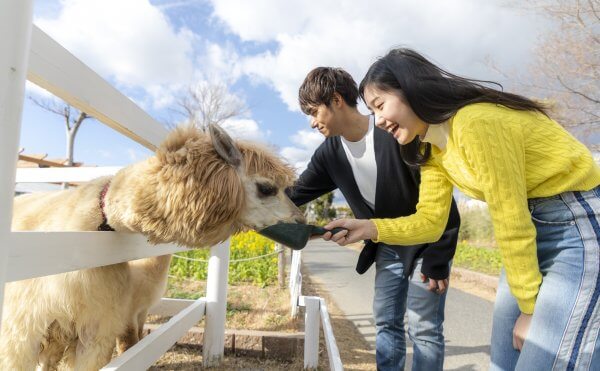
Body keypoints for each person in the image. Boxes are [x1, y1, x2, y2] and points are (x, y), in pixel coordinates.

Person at [324, 48, 600, 370]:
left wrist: (529, 310)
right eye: (373, 110)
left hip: (578, 227)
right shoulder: (430, 148)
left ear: (411, 89)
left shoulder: (474, 122)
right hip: (533, 232)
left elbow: (509, 215)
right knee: (504, 361)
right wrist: (370, 228)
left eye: (381, 105)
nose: (379, 121)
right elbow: (430, 221)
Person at [286, 67, 460, 371]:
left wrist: (439, 257)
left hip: (427, 244)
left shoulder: (396, 129)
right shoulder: (329, 154)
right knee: (386, 321)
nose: (312, 122)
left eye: (314, 112)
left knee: (424, 329)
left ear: (337, 100)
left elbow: (443, 203)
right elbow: (293, 194)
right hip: (387, 243)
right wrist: (243, 204)